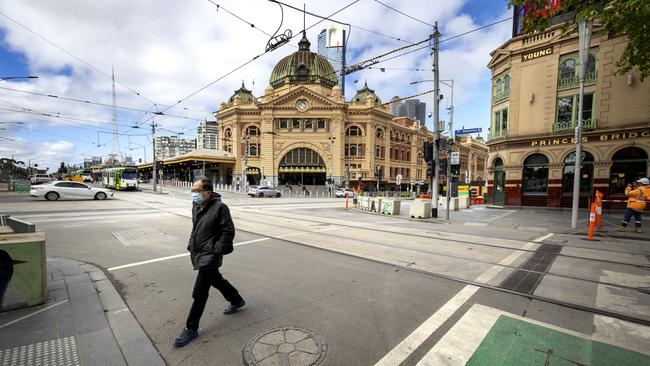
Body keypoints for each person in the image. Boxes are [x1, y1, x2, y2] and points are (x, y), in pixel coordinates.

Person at [173, 179, 245, 347]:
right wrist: (191, 243)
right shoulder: (196, 205)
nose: (194, 194)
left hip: (210, 255)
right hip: (199, 251)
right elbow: (195, 227)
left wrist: (216, 249)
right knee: (216, 280)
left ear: (208, 192)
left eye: (197, 190)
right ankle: (236, 300)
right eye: (193, 190)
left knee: (199, 292)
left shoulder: (220, 207)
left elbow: (228, 231)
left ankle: (191, 328)